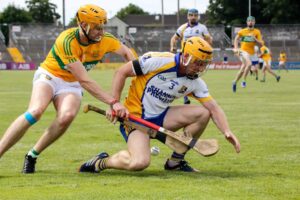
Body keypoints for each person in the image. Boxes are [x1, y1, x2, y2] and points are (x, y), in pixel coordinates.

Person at [0, 4, 134, 173]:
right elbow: (85, 81)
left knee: (66, 116)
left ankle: (32, 155)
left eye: (102, 27)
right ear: (83, 25)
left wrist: (137, 73)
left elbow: (128, 53)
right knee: (35, 111)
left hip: (71, 84)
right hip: (50, 76)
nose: (101, 32)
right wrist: (113, 102)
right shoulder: (67, 40)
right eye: (97, 28)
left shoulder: (106, 40)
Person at [79, 37, 241, 174]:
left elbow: (214, 108)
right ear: (185, 56)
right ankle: (102, 162)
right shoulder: (158, 60)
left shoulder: (195, 82)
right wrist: (114, 103)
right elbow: (121, 72)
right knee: (139, 163)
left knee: (203, 113)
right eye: (198, 63)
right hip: (135, 120)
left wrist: (227, 131)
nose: (200, 68)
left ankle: (175, 162)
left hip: (162, 118)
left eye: (204, 64)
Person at [170, 8, 212, 104]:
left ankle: (193, 94)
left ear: (198, 16)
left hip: (198, 58)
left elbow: (209, 40)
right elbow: (174, 38)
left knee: (192, 76)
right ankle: (189, 95)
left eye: (195, 15)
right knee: (186, 76)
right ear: (188, 16)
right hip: (185, 58)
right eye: (191, 15)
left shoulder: (202, 28)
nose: (193, 17)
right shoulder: (183, 28)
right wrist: (173, 47)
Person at [232, 16, 263, 92]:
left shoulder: (257, 32)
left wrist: (255, 39)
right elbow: (236, 38)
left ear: (254, 22)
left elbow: (261, 44)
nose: (250, 22)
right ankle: (244, 81)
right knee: (249, 64)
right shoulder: (242, 31)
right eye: (249, 21)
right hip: (243, 51)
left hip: (251, 53)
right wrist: (236, 48)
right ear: (247, 22)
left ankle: (234, 82)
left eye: (252, 21)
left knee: (242, 69)